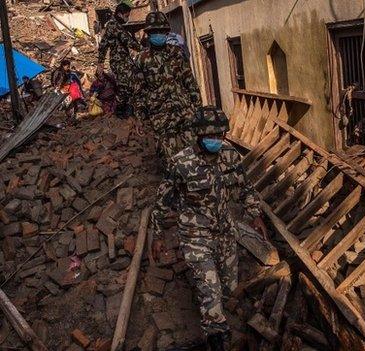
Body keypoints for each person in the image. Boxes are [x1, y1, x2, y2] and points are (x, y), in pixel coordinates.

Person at [151, 110, 268, 351]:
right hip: (195, 236)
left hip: (225, 232)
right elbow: (163, 201)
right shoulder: (181, 163)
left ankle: (220, 319)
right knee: (211, 289)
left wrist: (256, 215)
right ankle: (217, 339)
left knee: (228, 285)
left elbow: (244, 187)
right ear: (198, 135)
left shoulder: (229, 156)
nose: (216, 138)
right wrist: (158, 234)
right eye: (210, 135)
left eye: (220, 134)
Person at [134, 11, 202, 164]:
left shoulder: (176, 53)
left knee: (193, 155)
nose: (158, 34)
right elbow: (138, 92)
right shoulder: (141, 59)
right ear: (148, 34)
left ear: (166, 32)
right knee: (169, 161)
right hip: (160, 117)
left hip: (185, 112)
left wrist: (198, 108)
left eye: (161, 31)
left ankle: (192, 186)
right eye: (154, 32)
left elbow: (189, 81)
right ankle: (174, 186)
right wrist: (140, 119)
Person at [97, 3, 141, 118]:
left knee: (131, 83)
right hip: (119, 61)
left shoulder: (116, 25)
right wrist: (143, 49)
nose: (127, 18)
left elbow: (103, 44)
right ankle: (119, 110)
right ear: (119, 14)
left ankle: (127, 109)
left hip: (123, 59)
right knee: (125, 86)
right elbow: (126, 40)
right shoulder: (113, 25)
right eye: (126, 15)